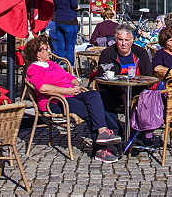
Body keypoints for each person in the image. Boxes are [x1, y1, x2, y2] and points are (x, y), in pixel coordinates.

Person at [23, 35, 121, 163]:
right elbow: (42, 88)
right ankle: (100, 150)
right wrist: (67, 90)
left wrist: (76, 84)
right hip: (54, 101)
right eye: (45, 49)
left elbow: (69, 77)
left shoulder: (52, 64)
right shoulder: (33, 69)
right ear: (37, 54)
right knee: (92, 111)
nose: (49, 51)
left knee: (95, 95)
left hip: (71, 94)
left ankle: (102, 131)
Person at [96, 25, 154, 141]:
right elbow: (101, 79)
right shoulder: (107, 54)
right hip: (115, 92)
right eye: (120, 40)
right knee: (102, 95)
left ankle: (141, 132)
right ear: (115, 40)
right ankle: (116, 132)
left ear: (131, 41)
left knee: (149, 97)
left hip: (137, 91)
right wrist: (121, 93)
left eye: (126, 40)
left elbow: (148, 77)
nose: (123, 43)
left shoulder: (141, 53)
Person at [51, 0, 80, 66]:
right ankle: (70, 69)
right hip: (70, 20)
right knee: (70, 47)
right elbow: (74, 4)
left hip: (59, 20)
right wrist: (78, 7)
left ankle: (60, 67)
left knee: (60, 46)